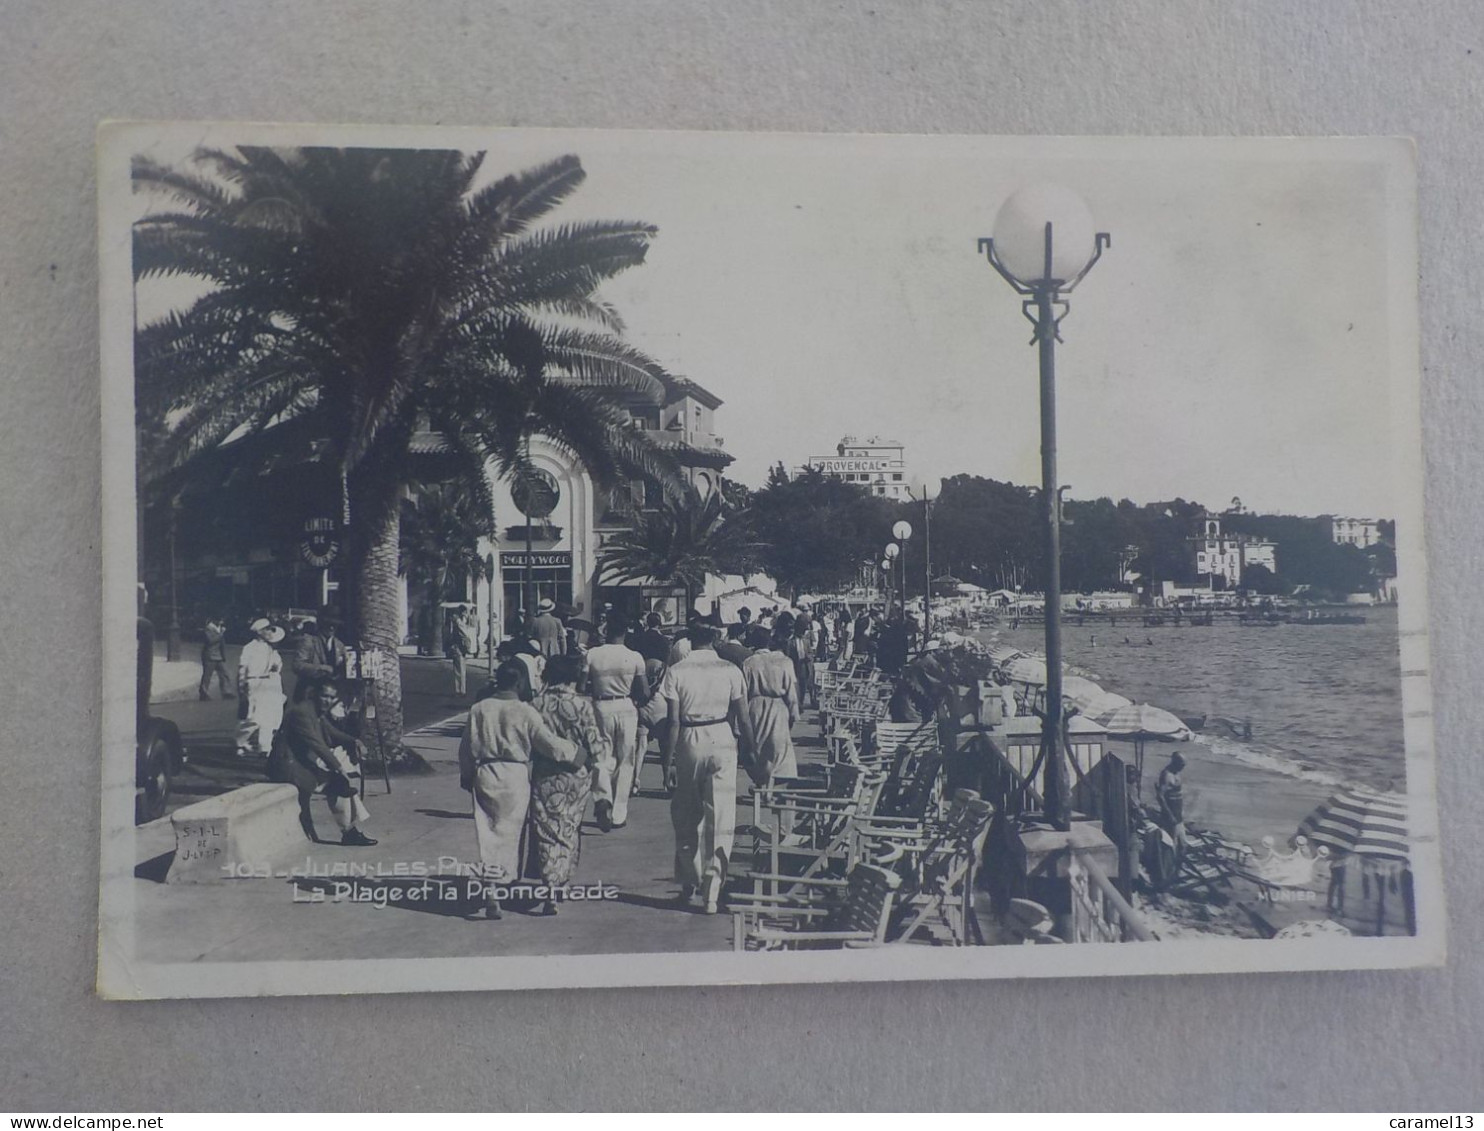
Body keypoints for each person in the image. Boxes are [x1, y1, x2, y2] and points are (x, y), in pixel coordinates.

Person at [457, 661, 577, 921]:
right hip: (514, 775)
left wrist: (466, 774)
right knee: (511, 835)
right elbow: (549, 744)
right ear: (521, 682)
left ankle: (491, 888)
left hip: (485, 773)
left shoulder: (479, 708)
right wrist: (575, 752)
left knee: (487, 834)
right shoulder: (525, 711)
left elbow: (466, 746)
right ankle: (506, 881)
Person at [659, 623, 756, 914]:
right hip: (722, 736)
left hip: (690, 738)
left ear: (689, 640)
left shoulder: (677, 671)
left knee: (686, 813)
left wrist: (668, 763)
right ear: (715, 638)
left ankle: (690, 880)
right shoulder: (730, 669)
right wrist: (750, 750)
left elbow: (673, 721)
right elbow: (744, 717)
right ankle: (712, 891)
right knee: (721, 814)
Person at [528, 654, 610, 915]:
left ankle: (549, 884)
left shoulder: (535, 704)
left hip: (544, 774)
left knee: (546, 829)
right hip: (576, 776)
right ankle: (561, 881)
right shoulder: (582, 705)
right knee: (569, 827)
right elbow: (595, 745)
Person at [269, 675, 376, 846]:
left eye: (331, 697)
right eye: (324, 696)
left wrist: (353, 740)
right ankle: (349, 833)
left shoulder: (316, 711)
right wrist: (338, 767)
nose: (328, 701)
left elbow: (331, 731)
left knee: (341, 785)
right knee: (339, 783)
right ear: (314, 694)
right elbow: (317, 744)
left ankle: (350, 831)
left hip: (299, 763)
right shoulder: (302, 713)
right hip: (287, 766)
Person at [584, 618, 649, 830]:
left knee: (602, 755)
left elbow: (581, 683)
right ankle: (619, 814)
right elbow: (644, 691)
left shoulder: (592, 654)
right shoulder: (635, 657)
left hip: (601, 706)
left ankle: (603, 798)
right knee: (625, 760)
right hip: (626, 707)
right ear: (625, 632)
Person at [740, 625, 798, 784]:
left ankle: (761, 782)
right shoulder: (784, 661)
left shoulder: (748, 663)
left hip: (755, 707)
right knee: (778, 748)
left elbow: (743, 693)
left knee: (758, 748)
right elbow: (791, 692)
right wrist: (793, 713)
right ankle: (774, 785)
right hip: (778, 707)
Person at [236, 618, 286, 757]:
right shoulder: (249, 648)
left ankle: (264, 747)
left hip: (270, 684)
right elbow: (242, 669)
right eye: (267, 629)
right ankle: (240, 741)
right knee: (253, 718)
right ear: (259, 632)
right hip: (254, 683)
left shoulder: (272, 648)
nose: (270, 632)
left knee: (270, 717)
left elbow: (278, 665)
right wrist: (241, 687)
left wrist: (276, 667)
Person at [293, 605, 351, 703]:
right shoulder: (309, 640)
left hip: (331, 696)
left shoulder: (339, 645)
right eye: (328, 624)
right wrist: (322, 668)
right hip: (309, 694)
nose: (332, 628)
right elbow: (297, 665)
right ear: (321, 624)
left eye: (335, 625)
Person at [1155, 752, 1188, 860]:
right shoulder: (1167, 775)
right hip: (1171, 816)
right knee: (1172, 845)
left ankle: (1177, 867)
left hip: (1178, 815)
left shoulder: (1177, 773)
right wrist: (1169, 815)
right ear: (1175, 762)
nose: (1183, 767)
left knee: (1183, 844)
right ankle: (1170, 871)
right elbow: (1160, 796)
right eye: (1182, 764)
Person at [199, 615, 232, 700]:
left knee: (224, 674)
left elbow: (222, 644)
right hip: (209, 656)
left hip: (218, 656)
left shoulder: (219, 628)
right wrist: (221, 634)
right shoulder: (208, 629)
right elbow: (211, 641)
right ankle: (203, 693)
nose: (222, 622)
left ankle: (226, 692)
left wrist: (223, 656)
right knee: (207, 676)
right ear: (215, 620)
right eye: (220, 620)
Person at [449, 604, 478, 697]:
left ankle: (460, 689)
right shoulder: (458, 621)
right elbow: (465, 632)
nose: (466, 614)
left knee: (459, 669)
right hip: (459, 647)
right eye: (465, 612)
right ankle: (461, 690)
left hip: (459, 647)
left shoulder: (459, 621)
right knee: (460, 669)